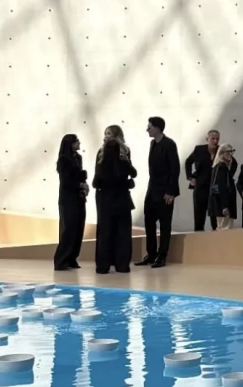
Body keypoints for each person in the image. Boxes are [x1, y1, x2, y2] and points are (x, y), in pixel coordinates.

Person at [93, 125, 136, 275]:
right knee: (123, 231)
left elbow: (97, 178)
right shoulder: (124, 152)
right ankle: (122, 265)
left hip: (105, 196)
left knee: (105, 231)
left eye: (109, 134)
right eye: (106, 133)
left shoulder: (102, 153)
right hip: (121, 196)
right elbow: (132, 172)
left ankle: (103, 266)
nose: (106, 136)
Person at [138, 116, 180, 269]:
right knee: (149, 222)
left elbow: (175, 169)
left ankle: (162, 256)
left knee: (164, 224)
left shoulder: (169, 144)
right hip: (152, 189)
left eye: (149, 127)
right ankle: (151, 254)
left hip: (165, 191)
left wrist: (170, 191)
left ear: (157, 128)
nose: (147, 130)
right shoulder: (153, 144)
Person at [53, 133, 88, 271]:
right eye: (76, 141)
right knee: (68, 229)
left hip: (79, 197)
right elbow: (66, 181)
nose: (79, 143)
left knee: (78, 228)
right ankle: (61, 260)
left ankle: (72, 258)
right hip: (68, 199)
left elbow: (80, 176)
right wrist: (80, 185)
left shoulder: (78, 158)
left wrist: (84, 186)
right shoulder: (63, 160)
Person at [185, 129, 229, 231]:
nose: (215, 141)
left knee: (215, 220)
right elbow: (188, 162)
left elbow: (233, 163)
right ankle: (198, 238)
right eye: (213, 139)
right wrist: (190, 177)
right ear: (207, 139)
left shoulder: (221, 151)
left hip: (215, 189)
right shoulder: (199, 150)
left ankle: (215, 238)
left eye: (217, 139)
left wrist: (225, 179)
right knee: (199, 218)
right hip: (200, 187)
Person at [209, 143, 238, 229]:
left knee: (222, 229)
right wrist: (225, 206)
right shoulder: (222, 167)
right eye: (227, 152)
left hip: (220, 206)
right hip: (223, 208)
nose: (230, 154)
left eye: (231, 151)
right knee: (225, 230)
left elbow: (234, 164)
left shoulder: (218, 166)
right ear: (221, 153)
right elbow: (222, 187)